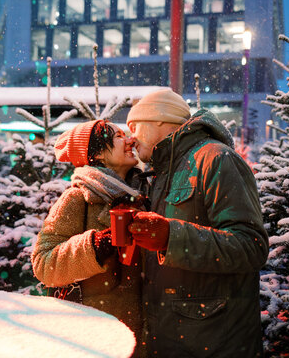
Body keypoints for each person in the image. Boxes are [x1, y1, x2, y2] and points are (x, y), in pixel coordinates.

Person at [125, 88, 269, 357]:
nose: (130, 137)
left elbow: (251, 246)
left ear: (159, 118)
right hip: (172, 339)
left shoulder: (214, 159)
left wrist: (171, 238)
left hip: (214, 343)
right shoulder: (160, 173)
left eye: (133, 125)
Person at [31, 119, 145, 351]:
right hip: (98, 331)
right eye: (119, 136)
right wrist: (94, 246)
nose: (130, 140)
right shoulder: (77, 197)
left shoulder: (145, 191)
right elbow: (43, 264)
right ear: (99, 154)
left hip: (143, 327)